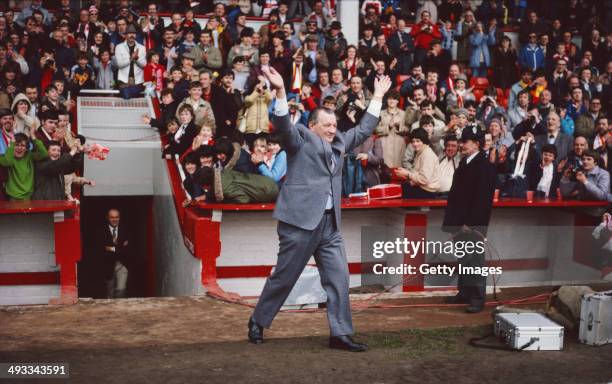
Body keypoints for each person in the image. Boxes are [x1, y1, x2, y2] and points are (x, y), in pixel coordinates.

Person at [248, 66, 391, 351]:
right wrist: (279, 91)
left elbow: (364, 128)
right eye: (327, 125)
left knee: (339, 278)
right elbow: (282, 125)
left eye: (334, 125)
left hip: (330, 226)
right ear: (312, 125)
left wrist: (378, 95)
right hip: (299, 223)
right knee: (284, 278)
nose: (332, 129)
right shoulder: (299, 138)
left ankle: (340, 334)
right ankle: (258, 321)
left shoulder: (340, 141)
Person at [442, 125, 497, 313]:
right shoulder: (465, 162)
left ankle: (477, 297)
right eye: (461, 141)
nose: (461, 145)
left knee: (475, 261)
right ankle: (464, 293)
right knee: (464, 259)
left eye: (465, 142)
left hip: (473, 225)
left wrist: (472, 224)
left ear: (476, 144)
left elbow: (483, 200)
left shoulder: (484, 166)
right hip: (459, 222)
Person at [0, 133, 48, 200]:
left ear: (26, 148)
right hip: (12, 196)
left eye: (22, 145)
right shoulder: (4, 156)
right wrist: (11, 144)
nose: (19, 148)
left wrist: (34, 138)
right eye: (16, 145)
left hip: (29, 195)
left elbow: (44, 154)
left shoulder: (29, 156)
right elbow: (8, 162)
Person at [97, 209, 131, 299]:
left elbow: (128, 249)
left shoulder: (126, 229)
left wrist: (110, 248)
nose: (114, 219)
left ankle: (119, 309)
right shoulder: (101, 231)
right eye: (112, 217)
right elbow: (100, 249)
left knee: (121, 289)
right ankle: (110, 310)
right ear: (107, 218)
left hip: (122, 265)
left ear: (119, 218)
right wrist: (120, 247)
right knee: (110, 291)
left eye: (117, 217)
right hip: (107, 266)